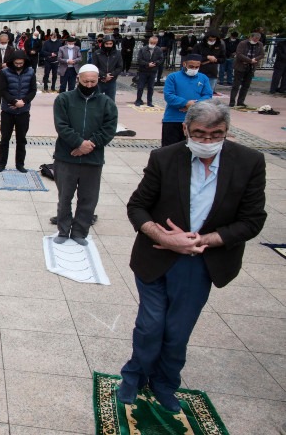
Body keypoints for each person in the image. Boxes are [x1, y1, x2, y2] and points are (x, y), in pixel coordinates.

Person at [118, 98, 266, 412]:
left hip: (201, 264)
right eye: (200, 134)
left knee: (177, 331)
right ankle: (134, 376)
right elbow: (137, 207)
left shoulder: (249, 162)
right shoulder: (165, 158)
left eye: (216, 135)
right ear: (186, 129)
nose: (208, 141)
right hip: (156, 257)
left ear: (227, 131)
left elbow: (252, 220)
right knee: (150, 325)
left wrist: (206, 240)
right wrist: (165, 237)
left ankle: (165, 383)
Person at [52, 64, 118, 245]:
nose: (89, 85)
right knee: (65, 197)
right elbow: (62, 126)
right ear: (78, 79)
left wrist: (90, 145)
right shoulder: (64, 99)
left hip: (93, 159)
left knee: (88, 198)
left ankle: (80, 232)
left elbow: (109, 129)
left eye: (93, 81)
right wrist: (78, 143)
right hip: (66, 157)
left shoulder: (106, 103)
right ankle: (63, 231)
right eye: (85, 81)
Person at [0, 51, 36, 173]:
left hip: (23, 111)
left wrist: (23, 102)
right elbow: (2, 90)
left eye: (21, 63)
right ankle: (2, 163)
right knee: (5, 139)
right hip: (8, 111)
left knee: (21, 139)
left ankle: (20, 164)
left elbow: (33, 90)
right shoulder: (5, 72)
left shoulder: (30, 72)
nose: (18, 65)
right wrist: (14, 102)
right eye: (16, 63)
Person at [161, 54, 213, 147]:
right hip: (173, 119)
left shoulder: (203, 78)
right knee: (169, 149)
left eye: (197, 67)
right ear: (184, 64)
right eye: (191, 66)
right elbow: (169, 95)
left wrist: (193, 105)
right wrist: (185, 103)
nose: (194, 69)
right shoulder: (173, 77)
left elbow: (208, 95)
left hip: (195, 120)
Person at [229, 32, 265, 107]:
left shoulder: (260, 45)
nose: (255, 41)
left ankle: (241, 101)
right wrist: (249, 60)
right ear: (251, 37)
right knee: (236, 85)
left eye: (257, 40)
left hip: (251, 67)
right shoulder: (243, 43)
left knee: (246, 85)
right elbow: (239, 54)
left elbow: (262, 54)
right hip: (240, 66)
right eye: (254, 39)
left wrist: (254, 60)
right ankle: (232, 102)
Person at [90, 36, 122, 101]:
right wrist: (104, 76)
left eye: (110, 44)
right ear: (104, 44)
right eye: (107, 44)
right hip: (100, 81)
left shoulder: (117, 54)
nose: (108, 46)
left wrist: (111, 75)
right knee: (96, 100)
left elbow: (120, 67)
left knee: (110, 101)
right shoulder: (97, 53)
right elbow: (94, 66)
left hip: (111, 81)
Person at [135, 36, 164, 107]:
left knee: (151, 87)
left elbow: (161, 59)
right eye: (151, 43)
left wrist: (154, 63)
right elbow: (139, 59)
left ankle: (149, 101)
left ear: (156, 43)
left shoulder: (159, 50)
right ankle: (138, 100)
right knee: (140, 87)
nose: (152, 44)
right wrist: (147, 64)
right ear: (149, 42)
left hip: (153, 71)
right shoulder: (143, 49)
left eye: (154, 43)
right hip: (143, 70)